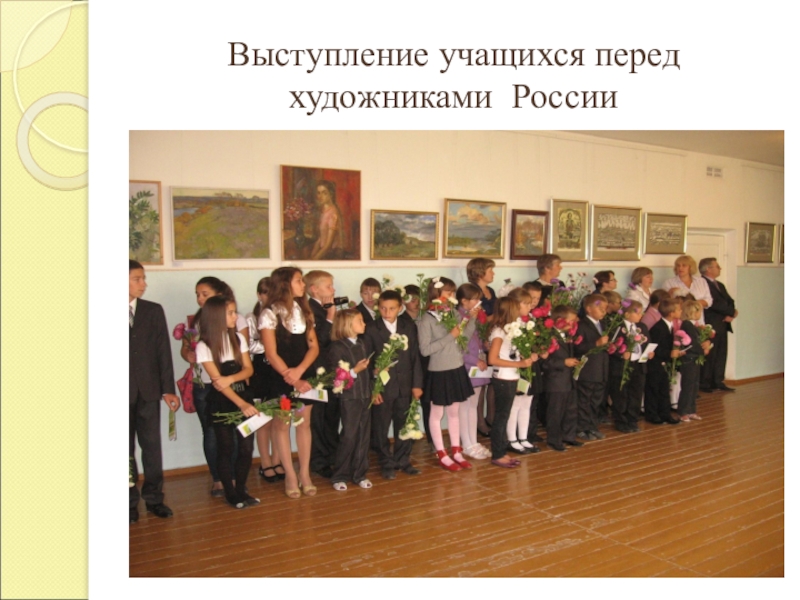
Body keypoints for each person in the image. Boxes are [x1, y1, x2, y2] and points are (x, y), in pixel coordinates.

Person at [180, 276, 249, 497]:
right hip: (207, 386)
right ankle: (219, 479)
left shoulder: (236, 325)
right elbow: (187, 349)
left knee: (238, 438)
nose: (200, 298)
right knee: (212, 434)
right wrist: (187, 354)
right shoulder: (198, 324)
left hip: (233, 385)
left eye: (205, 294)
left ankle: (237, 480)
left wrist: (235, 383)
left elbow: (244, 363)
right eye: (197, 294)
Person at [259, 267, 320, 499]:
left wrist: (300, 372)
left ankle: (304, 474)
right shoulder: (269, 314)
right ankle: (290, 476)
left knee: (304, 424)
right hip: (281, 380)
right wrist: (292, 378)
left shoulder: (305, 311)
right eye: (298, 281)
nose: (303, 285)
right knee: (282, 425)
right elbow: (271, 353)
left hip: (304, 377)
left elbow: (313, 346)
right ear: (284, 284)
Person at [129, 260, 180, 524]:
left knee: (151, 446)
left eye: (143, 278)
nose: (143, 284)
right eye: (137, 279)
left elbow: (163, 352)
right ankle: (128, 501)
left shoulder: (152, 311)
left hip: (149, 391)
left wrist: (167, 390)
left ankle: (154, 498)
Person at [196, 296, 259, 509]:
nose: (236, 317)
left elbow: (248, 370)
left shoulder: (238, 339)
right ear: (215, 317)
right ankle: (230, 492)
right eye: (231, 313)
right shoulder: (204, 346)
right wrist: (240, 403)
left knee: (246, 447)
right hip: (222, 402)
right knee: (226, 447)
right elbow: (218, 383)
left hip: (243, 396)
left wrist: (231, 379)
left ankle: (241, 489)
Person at [417, 276, 478, 472]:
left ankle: (456, 451)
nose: (452, 295)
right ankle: (441, 453)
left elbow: (463, 339)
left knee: (454, 413)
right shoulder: (426, 319)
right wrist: (450, 336)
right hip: (439, 371)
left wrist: (471, 319)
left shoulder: (453, 313)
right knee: (436, 413)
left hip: (456, 368)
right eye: (448, 292)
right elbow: (425, 350)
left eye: (452, 292)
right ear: (436, 293)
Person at [365, 290, 424, 479]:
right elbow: (366, 360)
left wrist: (417, 384)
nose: (387, 312)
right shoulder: (371, 329)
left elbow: (415, 357)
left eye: (391, 308)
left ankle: (403, 459)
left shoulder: (408, 326)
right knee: (381, 427)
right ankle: (386, 462)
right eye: (383, 308)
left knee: (404, 423)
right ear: (378, 308)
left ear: (400, 308)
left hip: (405, 385)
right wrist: (373, 387)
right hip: (383, 387)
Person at [327, 310, 373, 490]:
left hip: (364, 395)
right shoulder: (337, 348)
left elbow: (365, 372)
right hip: (349, 398)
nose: (364, 323)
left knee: (363, 435)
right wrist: (355, 371)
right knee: (349, 435)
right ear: (347, 325)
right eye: (360, 321)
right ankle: (340, 475)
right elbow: (336, 378)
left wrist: (373, 375)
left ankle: (359, 473)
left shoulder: (361, 344)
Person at [487, 297, 533, 467]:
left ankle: (501, 451)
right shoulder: (499, 332)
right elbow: (492, 359)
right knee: (501, 417)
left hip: (511, 376)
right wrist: (519, 364)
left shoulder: (509, 330)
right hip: (503, 378)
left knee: (504, 416)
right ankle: (497, 454)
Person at [246, 277, 283, 485]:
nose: (270, 297)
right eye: (266, 292)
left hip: (278, 370)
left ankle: (277, 459)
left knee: (280, 418)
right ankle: (265, 462)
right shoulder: (251, 318)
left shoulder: (282, 316)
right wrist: (271, 346)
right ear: (259, 295)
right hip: (261, 370)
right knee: (264, 420)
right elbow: (249, 346)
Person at [304, 270, 339, 479]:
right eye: (328, 286)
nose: (333, 290)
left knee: (331, 417)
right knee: (317, 419)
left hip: (330, 371)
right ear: (314, 289)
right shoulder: (309, 310)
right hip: (316, 372)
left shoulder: (325, 308)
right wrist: (331, 316)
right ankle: (319, 461)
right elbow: (319, 340)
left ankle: (334, 456)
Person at [456, 283, 492, 460]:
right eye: (475, 299)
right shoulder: (459, 317)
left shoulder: (474, 316)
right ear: (464, 301)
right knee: (465, 406)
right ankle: (466, 443)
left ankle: (473, 441)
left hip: (477, 366)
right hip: (466, 367)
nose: (479, 302)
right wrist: (474, 360)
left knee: (473, 405)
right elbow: (459, 346)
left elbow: (475, 340)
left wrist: (484, 347)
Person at [608, 300, 653, 433]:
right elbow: (610, 346)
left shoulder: (642, 327)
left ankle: (632, 419)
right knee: (621, 394)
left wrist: (649, 352)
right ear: (627, 314)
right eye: (637, 313)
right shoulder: (617, 327)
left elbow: (646, 342)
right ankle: (621, 420)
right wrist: (621, 354)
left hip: (638, 365)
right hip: (622, 365)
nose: (641, 315)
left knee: (636, 393)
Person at [504, 288, 540, 455]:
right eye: (525, 303)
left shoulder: (529, 322)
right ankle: (512, 439)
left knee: (526, 403)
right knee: (515, 405)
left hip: (528, 367)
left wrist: (534, 352)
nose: (529, 306)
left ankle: (523, 437)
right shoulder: (509, 324)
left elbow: (532, 344)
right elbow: (508, 349)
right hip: (515, 368)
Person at [542, 305, 582, 452]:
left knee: (570, 410)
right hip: (556, 381)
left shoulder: (567, 335)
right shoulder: (548, 336)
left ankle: (568, 436)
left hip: (568, 379)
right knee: (555, 412)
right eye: (571, 321)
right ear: (559, 320)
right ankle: (553, 440)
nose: (573, 324)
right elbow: (544, 362)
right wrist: (563, 362)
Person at [574, 294, 610, 440]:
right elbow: (577, 347)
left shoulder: (604, 324)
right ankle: (582, 428)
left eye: (605, 308)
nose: (603, 311)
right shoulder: (581, 325)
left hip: (601, 369)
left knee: (596, 400)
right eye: (600, 308)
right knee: (584, 400)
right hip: (588, 370)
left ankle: (592, 426)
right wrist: (596, 344)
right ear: (588, 309)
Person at [699, 257, 738, 393]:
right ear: (708, 269)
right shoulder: (702, 283)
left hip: (722, 323)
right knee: (710, 353)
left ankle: (718, 380)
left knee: (721, 353)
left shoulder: (719, 285)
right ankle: (705, 382)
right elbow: (713, 303)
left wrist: (731, 313)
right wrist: (731, 312)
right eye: (717, 266)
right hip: (711, 323)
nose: (720, 268)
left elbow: (729, 300)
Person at [644, 298, 683, 426]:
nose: (681, 311)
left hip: (663, 363)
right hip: (655, 364)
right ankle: (652, 414)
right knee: (654, 390)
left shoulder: (668, 326)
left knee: (664, 390)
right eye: (678, 309)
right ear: (671, 313)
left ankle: (665, 413)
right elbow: (655, 348)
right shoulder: (659, 328)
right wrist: (669, 353)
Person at [677, 301, 712, 421]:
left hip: (694, 359)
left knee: (694, 385)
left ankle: (691, 410)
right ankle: (683, 411)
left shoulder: (693, 326)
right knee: (688, 385)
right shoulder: (687, 325)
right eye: (698, 311)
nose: (700, 314)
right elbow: (692, 343)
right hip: (689, 359)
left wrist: (706, 343)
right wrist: (703, 351)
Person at [310, 180, 345, 260]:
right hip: (324, 251)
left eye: (324, 193)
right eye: (318, 193)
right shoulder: (324, 211)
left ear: (331, 194)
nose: (320, 196)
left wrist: (314, 259)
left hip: (332, 253)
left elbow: (328, 245)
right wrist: (313, 255)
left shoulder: (333, 213)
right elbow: (321, 237)